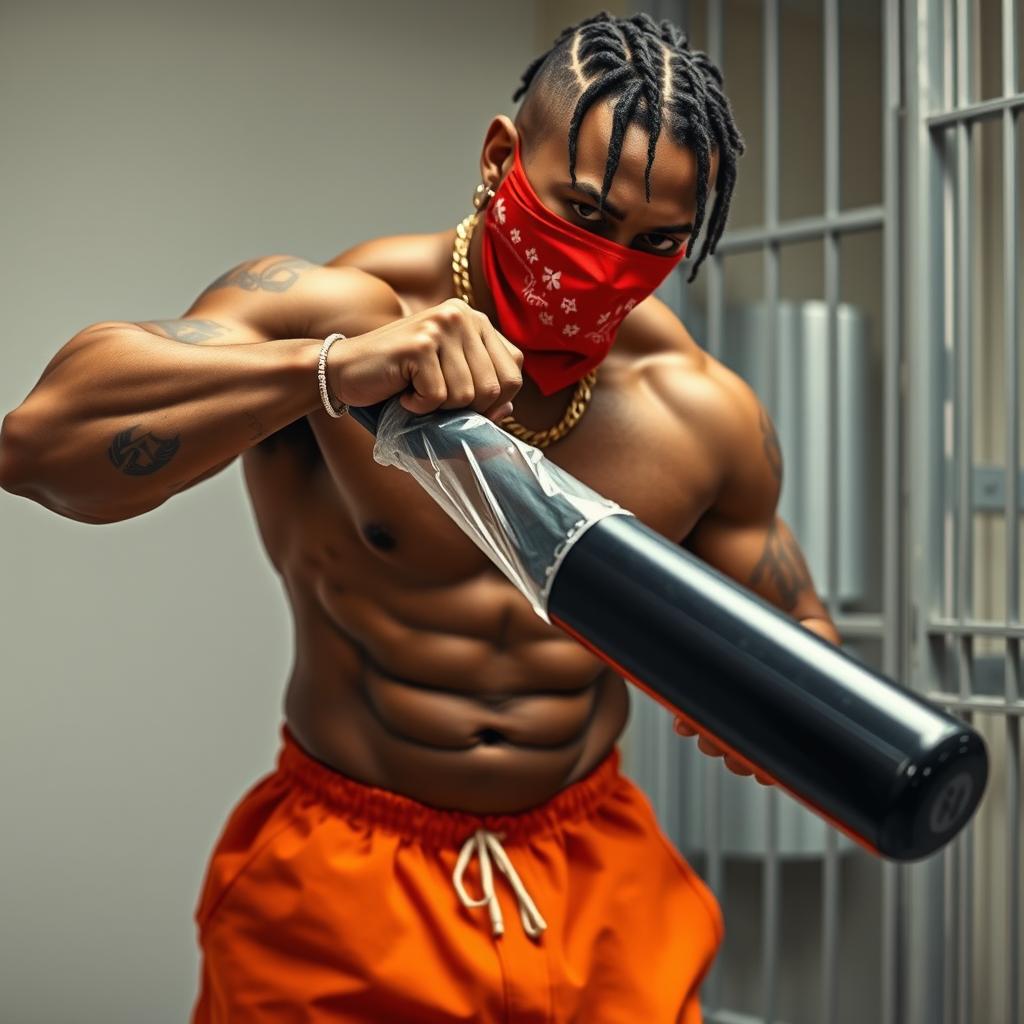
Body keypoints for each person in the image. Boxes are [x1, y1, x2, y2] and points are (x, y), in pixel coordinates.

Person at [0, 10, 842, 1023]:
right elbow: (38, 445)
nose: (606, 266)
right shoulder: (330, 307)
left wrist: (786, 706)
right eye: (582, 213)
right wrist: (323, 372)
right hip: (347, 875)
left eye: (654, 243)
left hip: (594, 879)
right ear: (499, 158)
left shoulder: (697, 409)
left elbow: (795, 619)